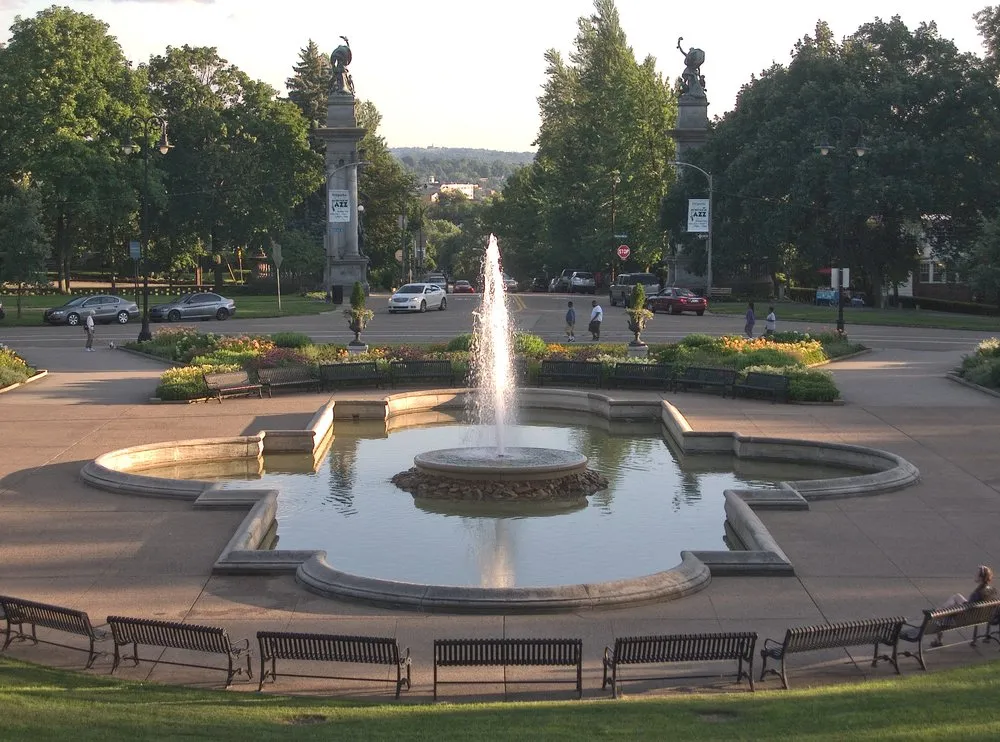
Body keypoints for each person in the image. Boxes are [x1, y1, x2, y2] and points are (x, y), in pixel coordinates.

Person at [932, 565, 997, 646]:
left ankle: (938, 638)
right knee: (956, 597)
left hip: (967, 618)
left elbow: (967, 608)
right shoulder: (992, 590)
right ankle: (940, 610)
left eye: (977, 574)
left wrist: (953, 609)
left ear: (981, 578)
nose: (975, 575)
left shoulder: (977, 593)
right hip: (983, 616)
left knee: (943, 614)